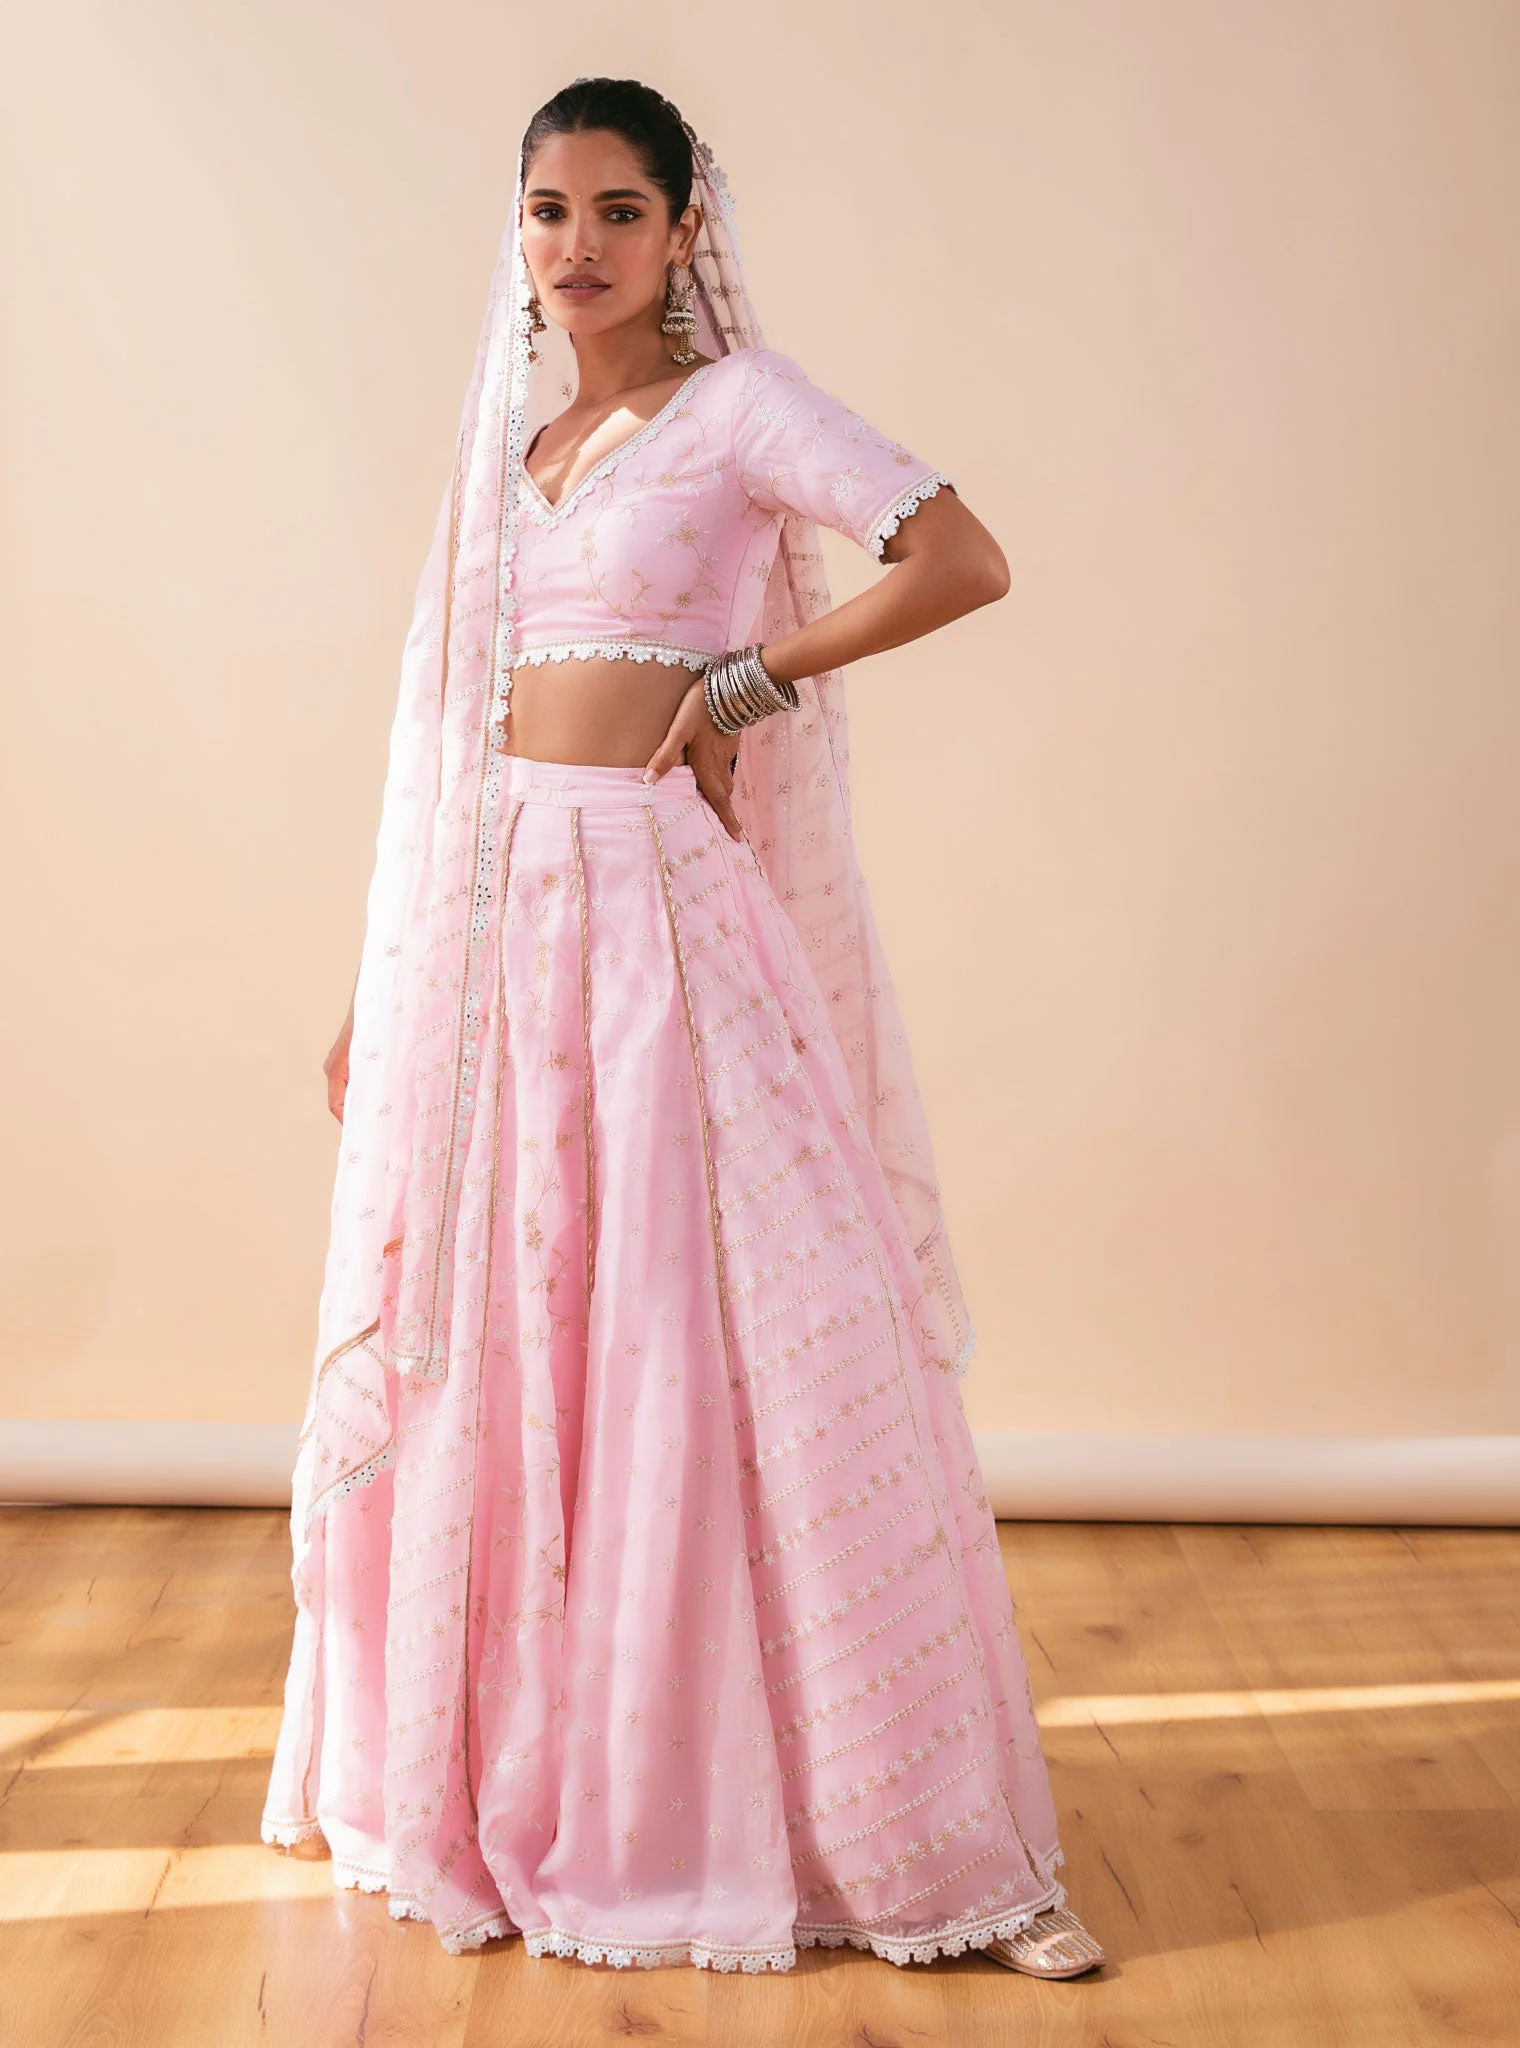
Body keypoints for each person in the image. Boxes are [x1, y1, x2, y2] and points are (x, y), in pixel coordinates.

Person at [262, 75, 1105, 1981]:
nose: (578, 248)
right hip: (492, 931)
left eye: (618, 212)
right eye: (548, 211)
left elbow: (958, 557)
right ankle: (529, 1789)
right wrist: (382, 978)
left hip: (656, 909)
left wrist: (746, 678)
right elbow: (453, 739)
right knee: (517, 1341)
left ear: (683, 230)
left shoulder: (740, 410)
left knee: (739, 1328)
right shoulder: (520, 445)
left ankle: (897, 1833)